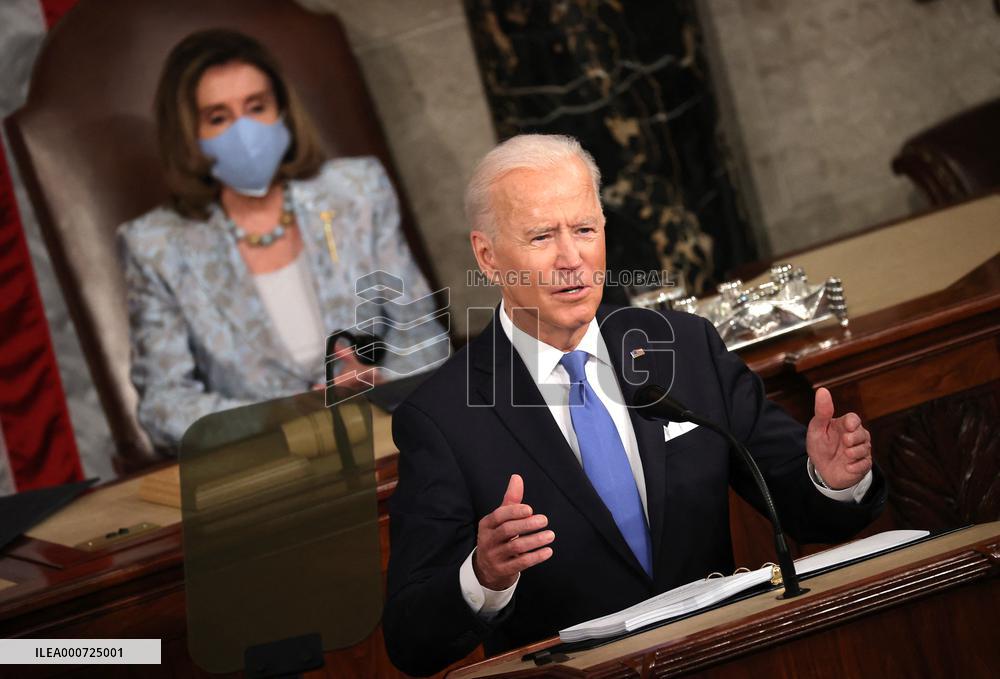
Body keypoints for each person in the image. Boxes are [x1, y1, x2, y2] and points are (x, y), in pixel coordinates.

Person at [383, 134, 885, 676]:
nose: (571, 259)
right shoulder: (443, 417)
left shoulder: (684, 348)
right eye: (541, 237)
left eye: (584, 230)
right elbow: (412, 640)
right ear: (488, 256)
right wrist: (482, 576)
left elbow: (804, 503)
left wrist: (833, 480)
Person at [118, 29, 446, 450]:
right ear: (188, 135)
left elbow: (421, 331)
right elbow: (164, 406)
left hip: (389, 433)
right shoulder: (155, 246)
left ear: (282, 111)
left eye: (257, 107)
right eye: (218, 118)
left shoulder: (357, 191)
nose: (244, 132)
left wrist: (382, 381)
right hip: (270, 459)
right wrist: (280, 416)